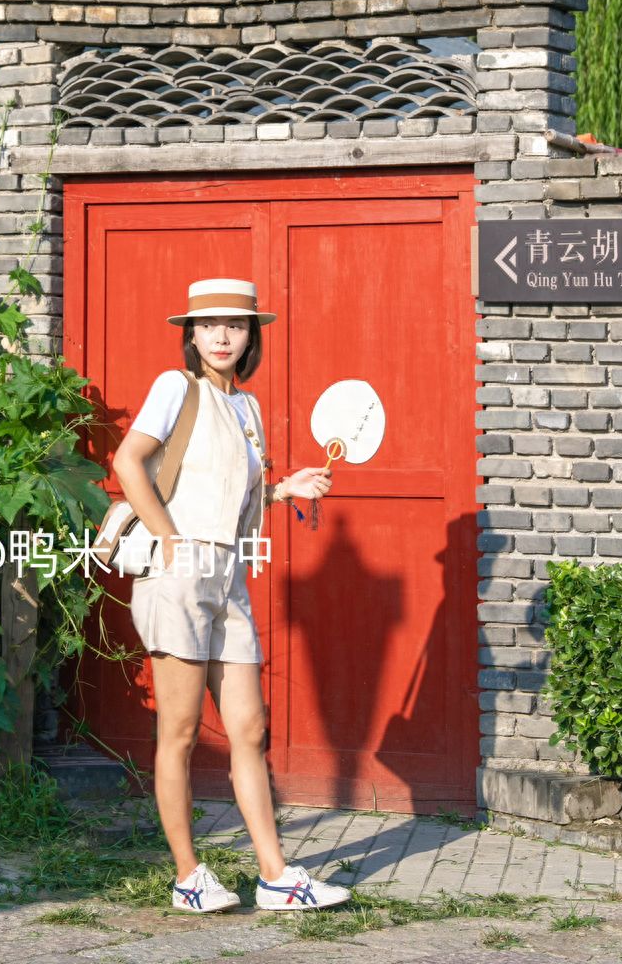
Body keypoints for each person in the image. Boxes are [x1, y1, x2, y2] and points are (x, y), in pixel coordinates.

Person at [111, 276, 351, 917]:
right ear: (190, 334)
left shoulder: (246, 409)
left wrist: (284, 489)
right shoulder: (176, 389)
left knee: (250, 727)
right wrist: (168, 541)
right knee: (182, 731)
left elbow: (227, 500)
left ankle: (275, 877)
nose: (221, 335)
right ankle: (189, 874)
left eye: (236, 325)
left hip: (230, 579)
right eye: (209, 324)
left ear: (252, 337)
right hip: (180, 576)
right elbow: (127, 462)